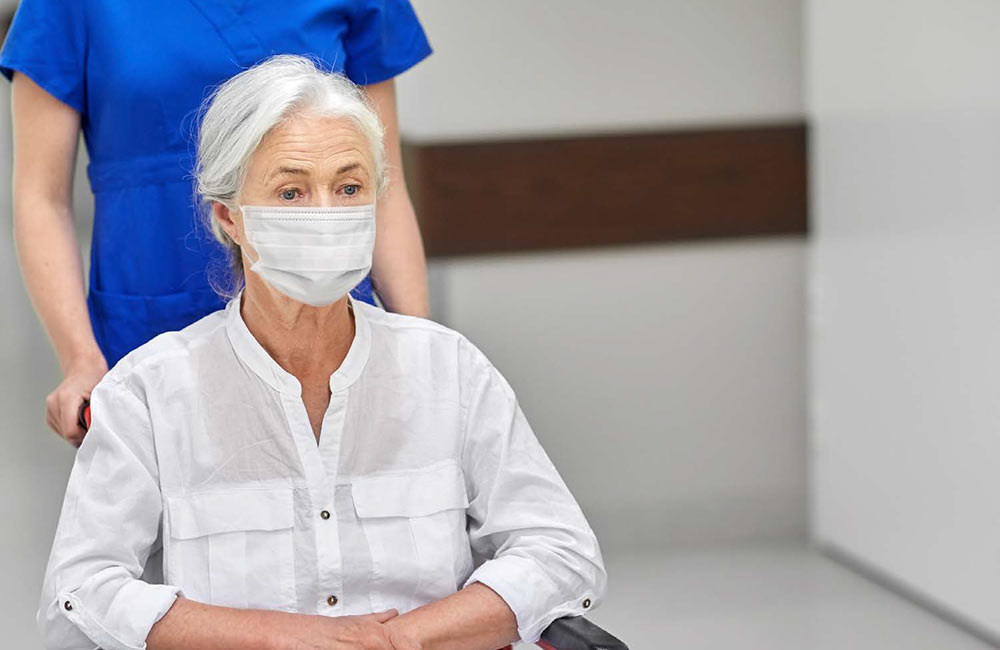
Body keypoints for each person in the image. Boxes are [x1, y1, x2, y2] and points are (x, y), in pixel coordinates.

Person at [36, 55, 607, 650]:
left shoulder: (449, 370)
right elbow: (79, 592)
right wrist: (289, 640)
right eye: (291, 191)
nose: (326, 215)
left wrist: (398, 640)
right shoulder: (150, 392)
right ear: (229, 217)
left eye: (350, 187)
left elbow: (560, 553)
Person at [0, 0, 432, 447]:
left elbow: (383, 184)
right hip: (155, 313)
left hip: (323, 315)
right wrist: (79, 357)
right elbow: (42, 198)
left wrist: (418, 343)